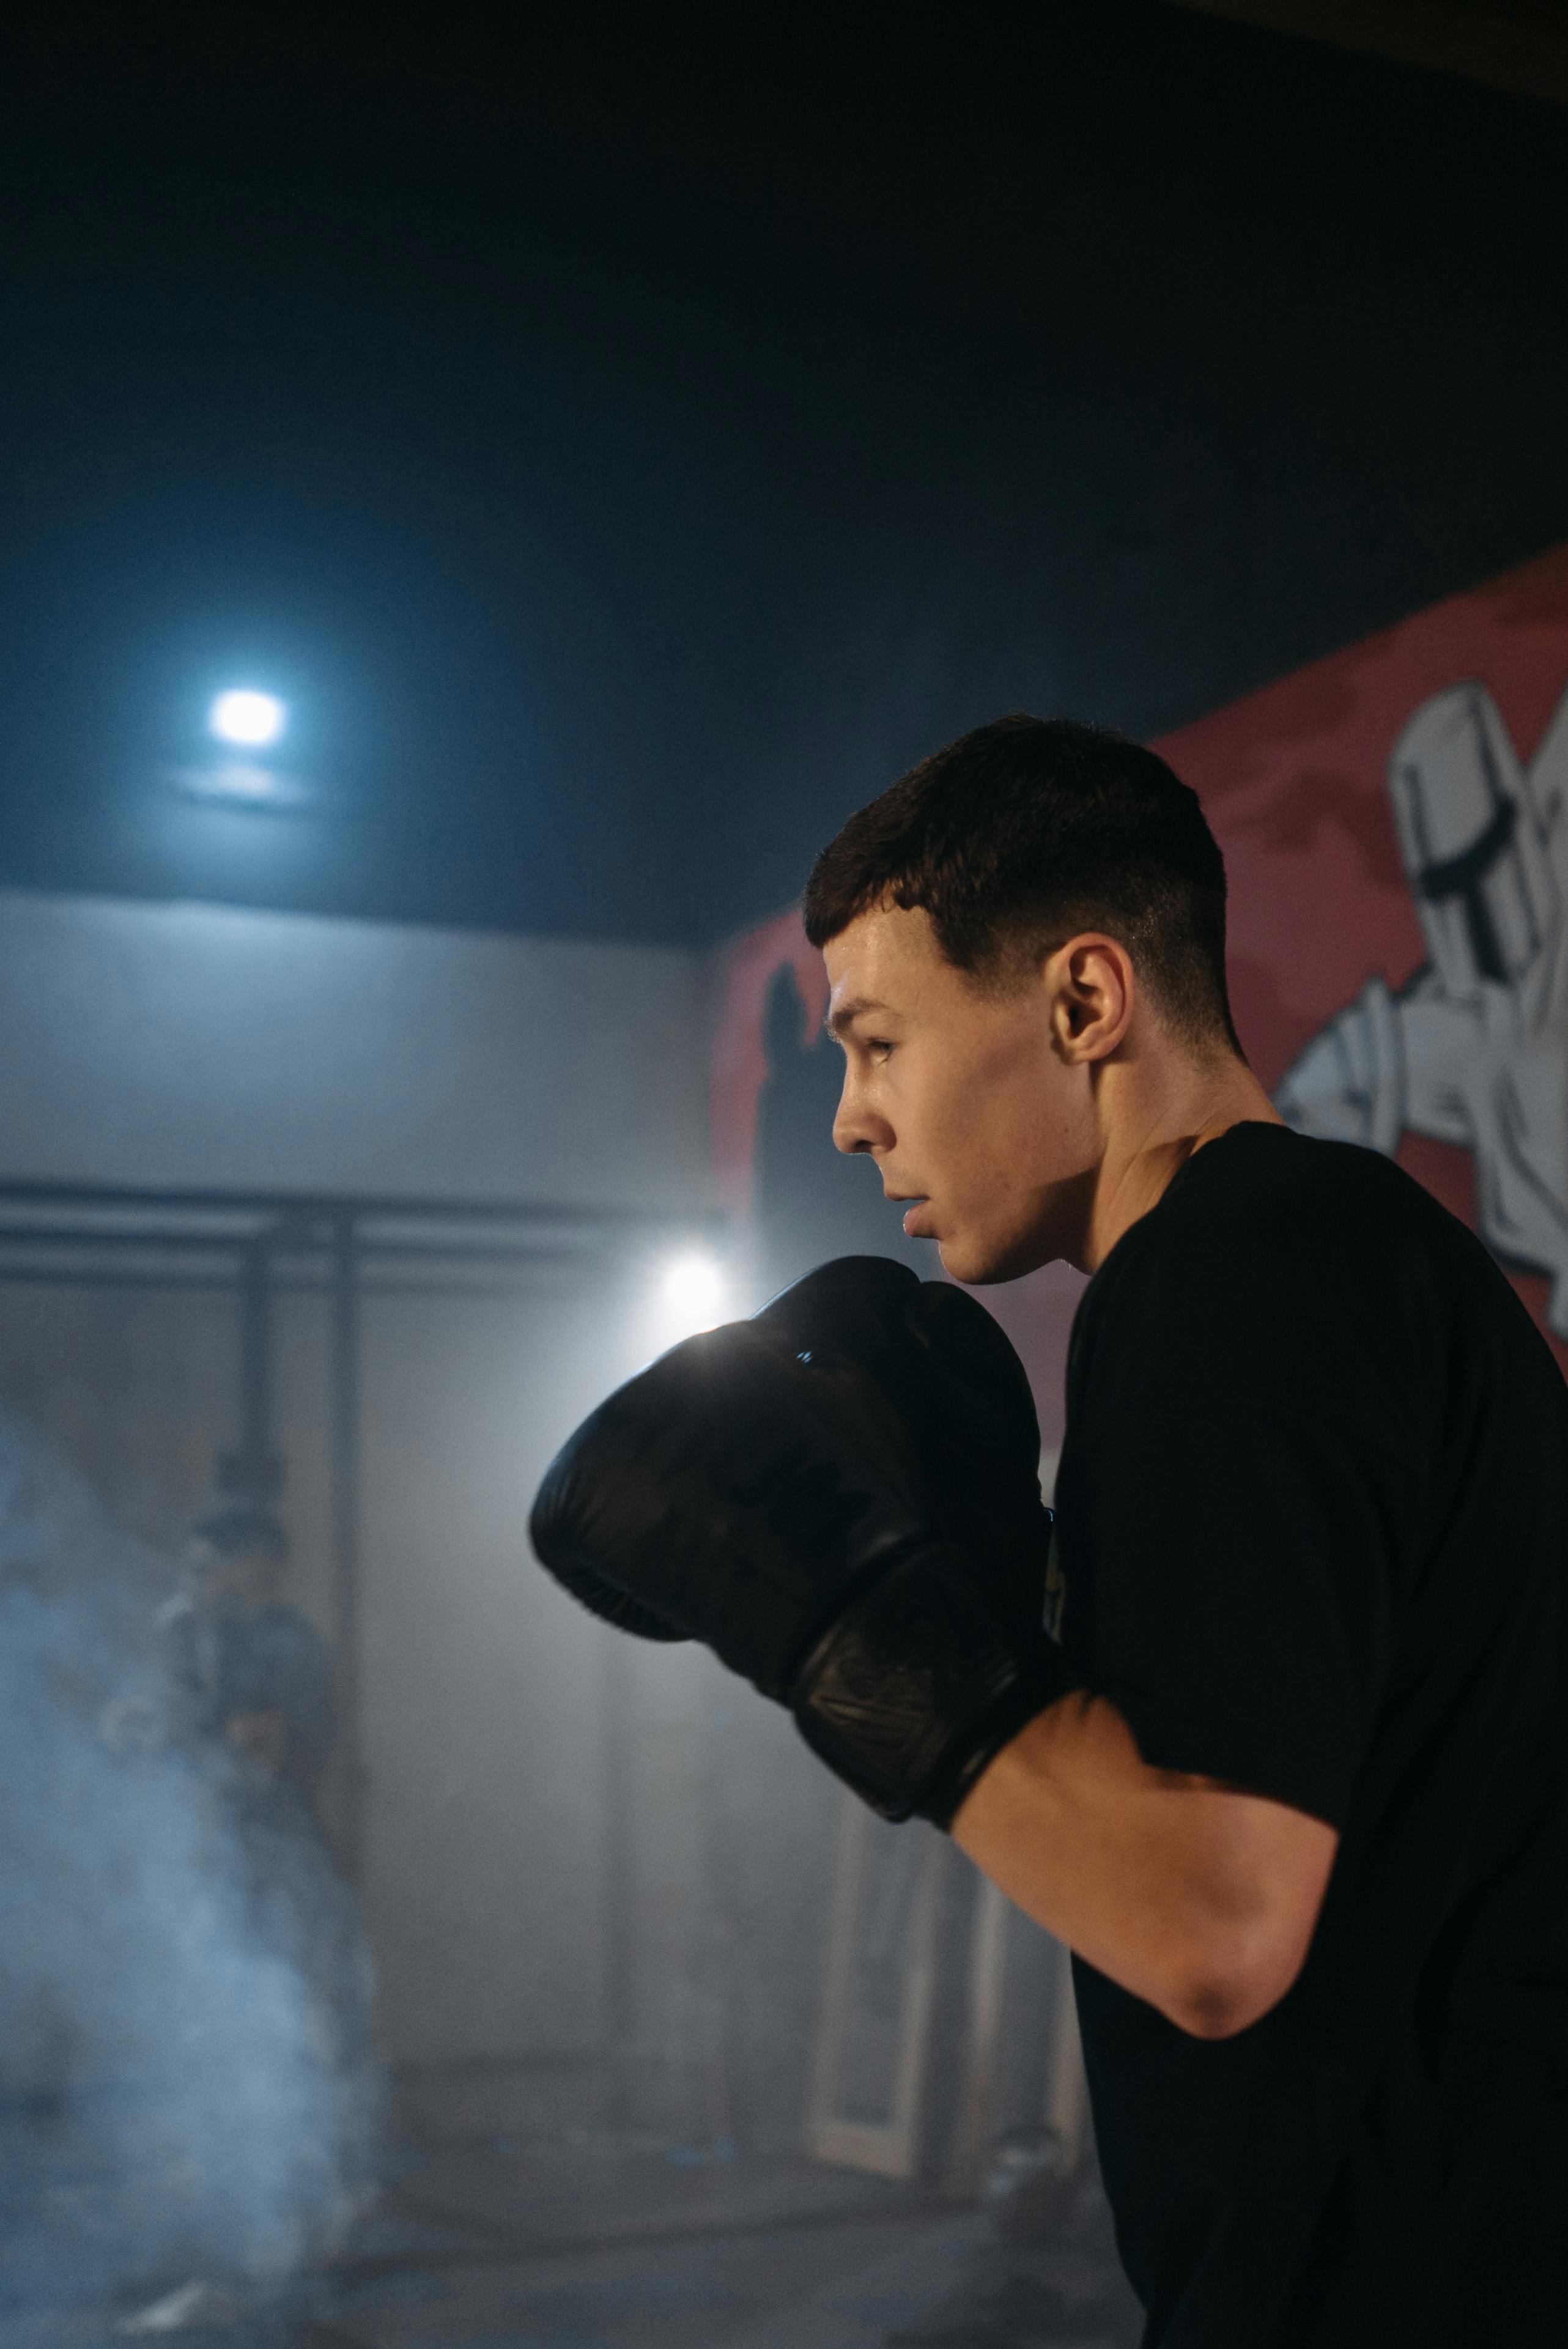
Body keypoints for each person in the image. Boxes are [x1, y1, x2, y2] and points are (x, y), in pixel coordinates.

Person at [531, 716, 1567, 2346]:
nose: (849, 1118)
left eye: (877, 1042)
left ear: (1082, 1001)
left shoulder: (1247, 1276)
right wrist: (997, 1605)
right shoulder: (1283, 1267)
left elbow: (1214, 1928)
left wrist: (840, 1624)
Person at [161, 1502, 336, 1827]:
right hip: (197, 1822)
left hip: (271, 1829)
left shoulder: (285, 1640)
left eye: (204, 1572)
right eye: (187, 1570)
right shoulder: (185, 1635)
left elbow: (284, 1752)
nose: (190, 1585)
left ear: (237, 1574)